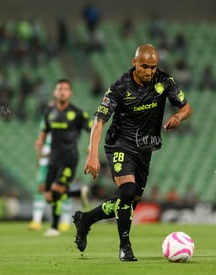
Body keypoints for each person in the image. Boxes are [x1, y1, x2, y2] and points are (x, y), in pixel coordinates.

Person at [73, 44, 192, 261]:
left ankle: (85, 219)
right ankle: (125, 247)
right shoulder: (120, 86)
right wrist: (92, 155)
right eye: (145, 66)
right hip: (120, 144)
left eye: (153, 67)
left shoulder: (164, 81)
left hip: (145, 148)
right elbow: (99, 121)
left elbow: (186, 107)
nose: (149, 71)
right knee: (127, 192)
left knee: (128, 203)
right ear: (134, 62)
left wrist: (178, 117)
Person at [35, 79, 92, 237]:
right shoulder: (49, 112)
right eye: (60, 89)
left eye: (66, 89)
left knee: (55, 190)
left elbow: (92, 128)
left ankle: (54, 227)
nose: (62, 91)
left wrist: (91, 146)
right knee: (48, 196)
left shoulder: (77, 113)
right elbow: (45, 130)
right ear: (55, 92)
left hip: (69, 157)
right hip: (53, 158)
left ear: (70, 93)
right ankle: (77, 193)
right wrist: (40, 141)